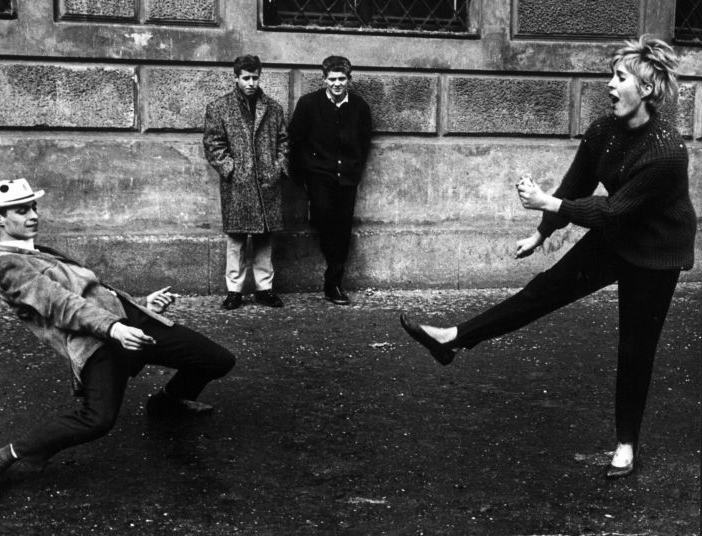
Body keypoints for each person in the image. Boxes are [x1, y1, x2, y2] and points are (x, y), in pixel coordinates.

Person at [400, 36, 696, 479]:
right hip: (617, 234)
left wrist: (544, 204)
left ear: (647, 89)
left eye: (620, 78)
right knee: (543, 290)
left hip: (656, 251)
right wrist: (541, 234)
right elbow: (576, 187)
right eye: (610, 76)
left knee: (635, 347)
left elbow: (612, 209)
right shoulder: (602, 131)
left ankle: (626, 444)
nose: (609, 85)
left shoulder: (666, 152)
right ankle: (454, 339)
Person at [0, 178, 236, 504]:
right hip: (98, 343)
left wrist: (142, 305)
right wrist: (114, 329)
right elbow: (61, 305)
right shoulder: (11, 267)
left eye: (34, 207)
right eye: (22, 210)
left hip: (128, 323)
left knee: (218, 360)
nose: (33, 215)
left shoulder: (37, 250)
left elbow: (95, 293)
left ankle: (166, 403)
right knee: (97, 419)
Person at [203, 54, 289, 310]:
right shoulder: (220, 107)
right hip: (238, 186)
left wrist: (278, 167)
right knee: (236, 239)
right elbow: (213, 144)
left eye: (255, 77)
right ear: (236, 78)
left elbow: (284, 141)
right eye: (246, 78)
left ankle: (265, 288)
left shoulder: (273, 108)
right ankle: (234, 290)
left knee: (264, 239)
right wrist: (231, 170)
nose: (251, 82)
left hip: (266, 183)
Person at [289, 55, 372, 305]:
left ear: (349, 79)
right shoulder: (308, 104)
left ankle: (334, 282)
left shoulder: (359, 107)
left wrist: (355, 169)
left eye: (342, 79)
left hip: (346, 177)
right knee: (323, 216)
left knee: (343, 228)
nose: (337, 84)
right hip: (318, 175)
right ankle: (332, 272)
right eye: (332, 79)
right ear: (324, 79)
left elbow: (364, 141)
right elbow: (295, 140)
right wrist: (302, 175)